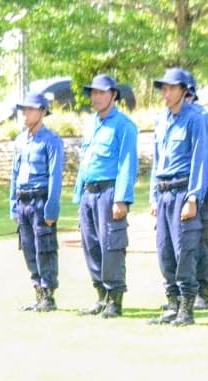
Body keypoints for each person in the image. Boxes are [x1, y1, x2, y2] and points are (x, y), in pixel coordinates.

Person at [147, 68, 208, 327]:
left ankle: (187, 306)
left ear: (185, 91)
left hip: (183, 190)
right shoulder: (161, 120)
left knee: (184, 249)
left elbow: (200, 161)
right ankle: (172, 303)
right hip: (164, 191)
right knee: (165, 250)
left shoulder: (196, 119)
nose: (166, 93)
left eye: (171, 88)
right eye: (163, 88)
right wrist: (154, 195)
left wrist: (193, 197)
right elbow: (156, 160)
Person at [75, 73, 139, 318]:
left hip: (110, 191)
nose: (96, 97)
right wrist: (79, 194)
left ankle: (115, 299)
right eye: (93, 92)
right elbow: (85, 160)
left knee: (111, 244)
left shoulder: (124, 125)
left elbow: (127, 163)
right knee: (90, 244)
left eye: (101, 92)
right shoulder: (91, 123)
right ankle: (100, 296)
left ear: (113, 95)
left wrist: (121, 198)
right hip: (89, 192)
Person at [9, 91, 64, 312]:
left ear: (42, 112)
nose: (25, 113)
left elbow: (55, 176)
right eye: (24, 109)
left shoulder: (51, 141)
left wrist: (51, 209)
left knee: (45, 248)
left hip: (41, 200)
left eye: (30, 109)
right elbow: (14, 174)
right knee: (29, 249)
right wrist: (13, 204)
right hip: (23, 201)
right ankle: (38, 292)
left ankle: (48, 294)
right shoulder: (20, 140)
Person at [183, 71, 208, 310]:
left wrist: (197, 193)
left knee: (198, 240)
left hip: (197, 188)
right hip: (175, 189)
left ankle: (202, 291)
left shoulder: (202, 117)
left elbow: (203, 158)